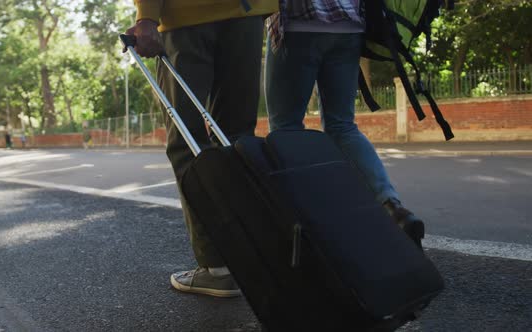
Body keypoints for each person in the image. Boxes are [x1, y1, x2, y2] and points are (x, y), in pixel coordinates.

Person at [125, 0, 277, 297]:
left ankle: (218, 268)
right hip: (247, 15)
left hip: (187, 17)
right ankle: (250, 258)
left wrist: (146, 17)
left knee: (187, 141)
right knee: (237, 140)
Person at [264, 0, 425, 249]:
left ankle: (304, 221)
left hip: (298, 21)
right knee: (343, 126)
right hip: (348, 25)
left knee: (286, 129)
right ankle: (392, 208)